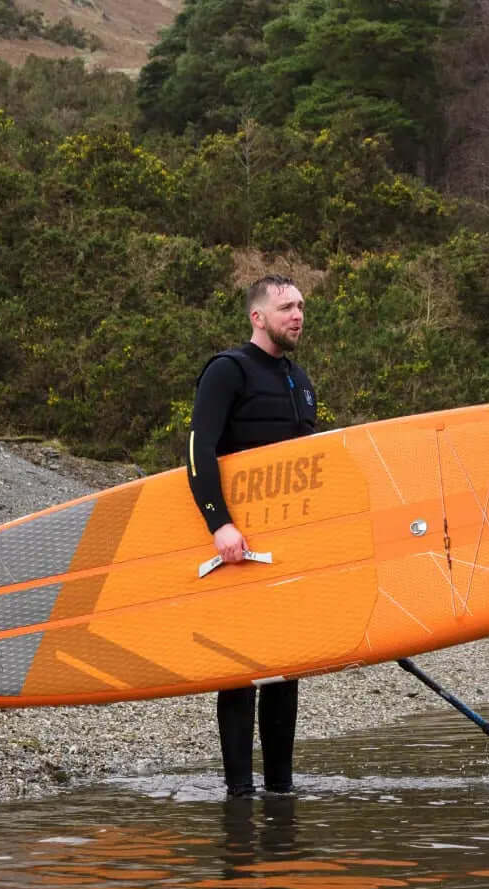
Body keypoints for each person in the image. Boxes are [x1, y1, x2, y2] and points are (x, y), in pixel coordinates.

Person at [188, 275, 317, 798]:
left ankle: (281, 790)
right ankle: (239, 793)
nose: (298, 314)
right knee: (239, 671)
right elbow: (199, 450)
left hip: (288, 547)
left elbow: (311, 469)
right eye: (286, 306)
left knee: (286, 670)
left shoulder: (300, 380)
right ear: (257, 316)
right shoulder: (228, 371)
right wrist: (219, 524)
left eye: (302, 306)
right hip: (235, 548)